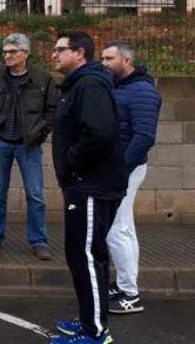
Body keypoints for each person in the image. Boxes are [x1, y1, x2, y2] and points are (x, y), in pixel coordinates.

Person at [50, 31, 126, 344]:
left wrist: (72, 162)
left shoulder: (90, 84)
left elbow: (99, 132)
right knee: (82, 254)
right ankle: (87, 322)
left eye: (60, 49)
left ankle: (96, 333)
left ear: (79, 53)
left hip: (91, 185)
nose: (53, 54)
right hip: (84, 184)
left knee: (87, 256)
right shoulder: (78, 85)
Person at [0, 33, 56, 260]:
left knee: (35, 194)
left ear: (25, 53)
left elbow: (52, 110)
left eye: (13, 51)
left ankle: (38, 241)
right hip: (0, 142)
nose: (7, 56)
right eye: (5, 52)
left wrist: (41, 133)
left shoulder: (42, 79)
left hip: (28, 144)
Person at [100, 41, 162, 315]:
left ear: (126, 61)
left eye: (109, 58)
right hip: (120, 167)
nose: (103, 63)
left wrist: (119, 169)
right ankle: (125, 284)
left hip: (125, 168)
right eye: (102, 58)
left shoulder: (142, 91)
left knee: (116, 229)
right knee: (125, 227)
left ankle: (131, 295)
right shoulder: (120, 87)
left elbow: (144, 137)